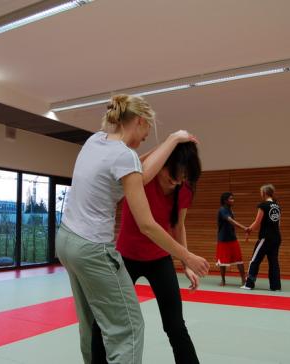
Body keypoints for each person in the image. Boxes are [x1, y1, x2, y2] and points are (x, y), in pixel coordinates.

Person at [56, 94, 210, 364]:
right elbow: (147, 223)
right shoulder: (129, 162)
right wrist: (188, 257)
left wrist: (169, 143)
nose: (145, 137)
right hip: (104, 251)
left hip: (67, 240)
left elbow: (132, 163)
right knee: (128, 328)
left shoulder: (96, 140)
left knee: (96, 318)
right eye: (146, 130)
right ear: (139, 121)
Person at [92, 141, 204, 364]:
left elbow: (178, 226)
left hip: (159, 259)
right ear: (161, 165)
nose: (174, 183)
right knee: (104, 320)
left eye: (180, 179)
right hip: (126, 257)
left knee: (175, 326)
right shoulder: (141, 177)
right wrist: (173, 139)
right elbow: (133, 162)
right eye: (171, 177)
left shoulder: (183, 190)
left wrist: (186, 263)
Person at [241, 184, 282, 291]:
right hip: (276, 238)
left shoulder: (263, 205)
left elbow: (257, 222)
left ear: (264, 193)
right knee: (274, 262)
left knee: (254, 260)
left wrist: (248, 230)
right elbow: (278, 224)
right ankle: (275, 286)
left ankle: (249, 284)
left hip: (265, 238)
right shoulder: (277, 206)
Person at [216, 192, 247, 286]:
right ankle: (223, 280)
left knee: (239, 260)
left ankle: (244, 280)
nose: (233, 200)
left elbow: (231, 225)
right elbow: (231, 221)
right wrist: (244, 227)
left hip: (233, 239)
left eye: (233, 198)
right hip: (223, 240)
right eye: (230, 199)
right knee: (222, 262)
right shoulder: (222, 210)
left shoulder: (230, 210)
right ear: (225, 201)